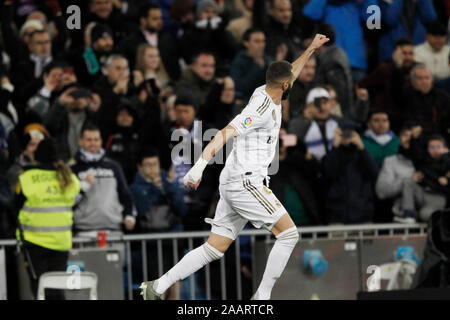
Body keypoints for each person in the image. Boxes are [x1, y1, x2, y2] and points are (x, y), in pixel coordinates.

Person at [140, 33, 330, 300]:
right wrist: (199, 166)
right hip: (245, 182)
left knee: (215, 248)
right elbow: (226, 132)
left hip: (233, 182)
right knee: (288, 234)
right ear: (286, 85)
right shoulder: (260, 109)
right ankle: (261, 299)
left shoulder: (267, 90)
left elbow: (291, 73)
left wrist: (310, 48)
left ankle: (157, 286)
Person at [15, 138, 80, 299]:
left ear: (37, 156)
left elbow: (14, 206)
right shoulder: (69, 178)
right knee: (57, 288)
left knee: (40, 289)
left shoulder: (27, 178)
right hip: (61, 242)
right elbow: (76, 200)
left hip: (34, 241)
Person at [71, 123, 136, 235]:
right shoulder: (73, 168)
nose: (93, 143)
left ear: (101, 141)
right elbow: (67, 201)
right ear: (80, 141)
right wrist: (83, 187)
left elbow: (125, 194)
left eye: (96, 139)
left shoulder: (113, 166)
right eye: (89, 140)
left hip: (113, 230)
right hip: (84, 231)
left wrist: (130, 215)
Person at [303, 0, 379, 82]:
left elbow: (374, 20)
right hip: (332, 63)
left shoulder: (355, 5)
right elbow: (309, 13)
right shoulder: (327, 5)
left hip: (356, 64)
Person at [322, 127, 379, 224]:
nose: (347, 137)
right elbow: (327, 173)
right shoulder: (333, 154)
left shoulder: (363, 154)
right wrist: (335, 146)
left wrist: (361, 147)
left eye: (350, 134)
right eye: (343, 134)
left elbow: (374, 173)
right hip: (338, 215)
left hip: (363, 215)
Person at [397, 134, 450, 223]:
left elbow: (443, 183)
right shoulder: (424, 159)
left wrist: (447, 180)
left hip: (438, 197)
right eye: (431, 147)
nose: (435, 150)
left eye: (438, 146)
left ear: (444, 148)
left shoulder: (447, 161)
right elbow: (407, 152)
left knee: (424, 215)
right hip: (423, 193)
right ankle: (409, 214)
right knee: (408, 181)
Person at [375, 127, 419, 222]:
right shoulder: (390, 161)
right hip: (400, 218)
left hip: (429, 214)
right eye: (405, 135)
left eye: (412, 136)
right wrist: (407, 182)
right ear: (399, 139)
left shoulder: (429, 160)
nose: (409, 139)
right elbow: (382, 192)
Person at [401, 64, 450, 143]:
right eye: (420, 78)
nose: (424, 81)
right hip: (415, 135)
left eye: (427, 78)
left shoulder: (442, 97)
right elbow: (406, 119)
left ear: (432, 79)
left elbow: (445, 121)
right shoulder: (406, 96)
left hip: (439, 136)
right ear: (412, 81)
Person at [288, 87, 339, 162]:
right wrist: (306, 122)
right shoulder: (297, 122)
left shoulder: (335, 121)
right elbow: (289, 146)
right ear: (309, 106)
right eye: (319, 104)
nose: (323, 107)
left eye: (326, 103)